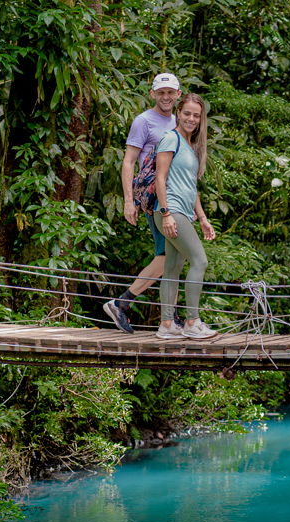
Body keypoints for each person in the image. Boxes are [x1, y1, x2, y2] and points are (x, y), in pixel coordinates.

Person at [102, 72, 184, 333]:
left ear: (178, 95)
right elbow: (128, 161)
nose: (166, 97)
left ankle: (171, 319)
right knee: (166, 257)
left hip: (175, 197)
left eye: (171, 92)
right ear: (153, 94)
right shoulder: (143, 121)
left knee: (172, 258)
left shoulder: (181, 121)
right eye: (161, 92)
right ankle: (122, 303)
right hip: (155, 198)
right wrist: (129, 201)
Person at [153, 94, 218, 340]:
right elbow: (161, 177)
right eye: (187, 113)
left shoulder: (190, 145)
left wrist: (202, 218)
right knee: (200, 261)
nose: (191, 118)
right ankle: (192, 322)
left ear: (201, 119)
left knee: (172, 268)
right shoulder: (171, 138)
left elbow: (191, 187)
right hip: (171, 211)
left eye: (197, 115)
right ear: (178, 113)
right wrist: (166, 212)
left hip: (183, 212)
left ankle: (167, 325)